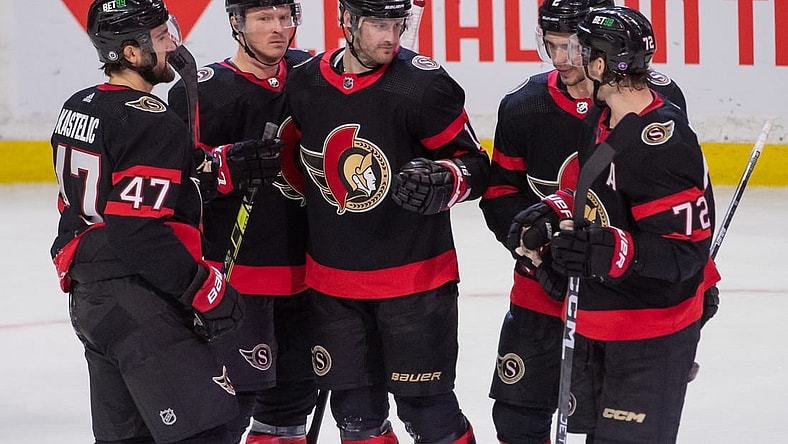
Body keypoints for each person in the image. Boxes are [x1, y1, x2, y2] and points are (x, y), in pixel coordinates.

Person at [478, 1, 694, 443]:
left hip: (627, 304)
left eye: (574, 47)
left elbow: (677, 238)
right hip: (557, 287)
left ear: (600, 56)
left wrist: (612, 253)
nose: (561, 60)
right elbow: (570, 190)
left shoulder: (658, 120)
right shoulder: (583, 114)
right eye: (551, 45)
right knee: (519, 422)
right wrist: (544, 238)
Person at [282, 0, 490, 442]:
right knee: (356, 418)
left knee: (428, 413)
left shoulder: (424, 86)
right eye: (379, 25)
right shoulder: (303, 84)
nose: (391, 38)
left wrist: (448, 179)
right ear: (347, 22)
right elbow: (297, 167)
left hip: (415, 283)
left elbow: (476, 165)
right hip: (332, 284)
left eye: (397, 25)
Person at [50, 0, 245, 442]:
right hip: (139, 296)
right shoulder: (150, 121)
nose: (173, 45)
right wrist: (200, 287)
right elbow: (135, 227)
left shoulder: (77, 105)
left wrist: (218, 167)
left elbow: (99, 196)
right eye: (160, 38)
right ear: (132, 53)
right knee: (210, 430)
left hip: (91, 297)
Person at [167, 1, 316, 442]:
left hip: (310, 273)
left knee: (290, 409)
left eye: (284, 18)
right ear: (237, 23)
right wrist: (224, 167)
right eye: (263, 19)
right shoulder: (202, 91)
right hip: (237, 277)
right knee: (230, 408)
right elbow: (174, 181)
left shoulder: (313, 75)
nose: (278, 29)